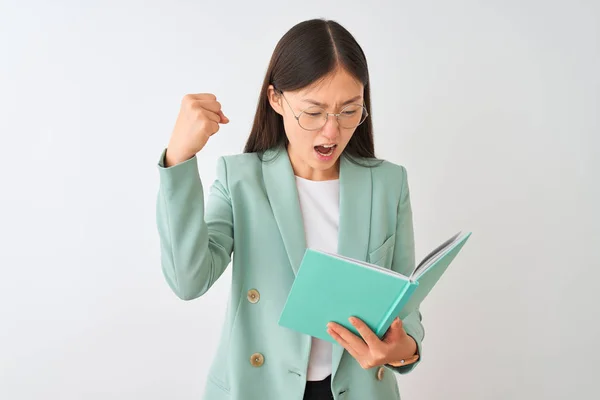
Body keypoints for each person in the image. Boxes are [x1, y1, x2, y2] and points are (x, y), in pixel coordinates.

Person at [155, 18, 425, 400]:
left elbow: (405, 299)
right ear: (276, 99)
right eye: (313, 112)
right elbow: (188, 280)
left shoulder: (388, 183)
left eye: (349, 111)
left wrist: (404, 348)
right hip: (258, 388)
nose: (331, 132)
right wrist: (179, 158)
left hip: (361, 389)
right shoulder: (240, 179)